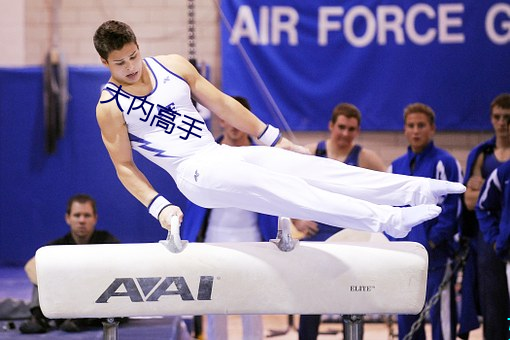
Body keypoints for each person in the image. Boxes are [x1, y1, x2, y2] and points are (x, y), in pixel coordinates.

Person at [93, 20, 464, 248]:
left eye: (133, 56)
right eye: (119, 63)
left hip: (219, 155)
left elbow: (223, 103)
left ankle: (412, 189)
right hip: (192, 173)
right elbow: (124, 167)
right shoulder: (110, 107)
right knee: (286, 190)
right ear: (105, 63)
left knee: (311, 168)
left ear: (139, 46)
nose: (130, 68)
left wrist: (273, 138)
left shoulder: (172, 65)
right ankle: (386, 220)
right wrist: (160, 207)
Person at [181, 96, 278, 340]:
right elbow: (192, 198)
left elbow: (275, 199)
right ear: (222, 120)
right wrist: (187, 238)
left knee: (253, 305)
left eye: (239, 120)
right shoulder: (204, 154)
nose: (235, 126)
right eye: (229, 119)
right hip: (214, 238)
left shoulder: (262, 159)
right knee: (215, 305)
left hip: (254, 239)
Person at [296, 102, 386, 340]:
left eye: (351, 129)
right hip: (317, 235)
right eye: (342, 127)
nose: (346, 134)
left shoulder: (366, 158)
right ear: (331, 126)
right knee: (310, 302)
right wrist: (297, 220)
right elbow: (285, 189)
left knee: (354, 300)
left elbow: (389, 192)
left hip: (351, 239)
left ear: (357, 131)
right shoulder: (311, 152)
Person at [387, 103, 462, 340]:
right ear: (405, 130)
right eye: (411, 126)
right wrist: (395, 243)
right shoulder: (395, 167)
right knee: (407, 321)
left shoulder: (445, 163)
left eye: (421, 125)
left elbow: (452, 209)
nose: (416, 131)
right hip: (405, 259)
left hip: (436, 257)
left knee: (442, 320)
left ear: (432, 129)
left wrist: (432, 241)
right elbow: (388, 209)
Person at [19, 194, 120, 334]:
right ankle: (38, 318)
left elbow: (118, 270)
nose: (82, 220)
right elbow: (30, 266)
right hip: (65, 298)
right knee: (42, 270)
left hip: (96, 301)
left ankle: (80, 319)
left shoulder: (108, 242)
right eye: (77, 215)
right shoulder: (57, 246)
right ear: (68, 218)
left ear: (95, 218)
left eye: (87, 215)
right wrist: (60, 283)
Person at [460, 93, 510, 340]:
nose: (502, 123)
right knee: (493, 304)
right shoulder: (482, 154)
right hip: (489, 238)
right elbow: (469, 202)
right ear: (491, 119)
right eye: (497, 117)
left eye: (507, 118)